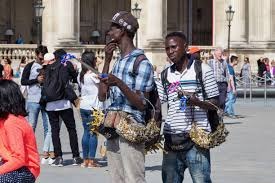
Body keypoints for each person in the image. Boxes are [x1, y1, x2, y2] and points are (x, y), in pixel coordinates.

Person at [98, 11, 154, 183]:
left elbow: (142, 104)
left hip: (131, 129)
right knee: (116, 179)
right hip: (113, 128)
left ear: (123, 30)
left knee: (133, 178)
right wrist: (107, 61)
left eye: (113, 28)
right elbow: (101, 96)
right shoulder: (118, 62)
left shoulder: (142, 63)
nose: (109, 32)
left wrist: (120, 83)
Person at [156, 32, 219, 183]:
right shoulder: (164, 75)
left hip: (197, 141)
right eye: (167, 48)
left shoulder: (202, 70)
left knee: (201, 180)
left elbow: (215, 103)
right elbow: (158, 104)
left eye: (173, 47)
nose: (170, 51)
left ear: (185, 47)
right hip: (172, 139)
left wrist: (197, 102)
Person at [43, 49, 81, 167]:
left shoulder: (46, 68)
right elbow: (75, 77)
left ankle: (58, 157)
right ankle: (76, 156)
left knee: (55, 131)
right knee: (71, 129)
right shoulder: (66, 64)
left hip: (50, 104)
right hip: (64, 102)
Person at [0, 79, 40, 182]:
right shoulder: (4, 120)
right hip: (10, 163)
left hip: (26, 169)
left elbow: (19, 159)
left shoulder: (12, 123)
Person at [21, 45, 55, 165]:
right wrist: (36, 80)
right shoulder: (30, 66)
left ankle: (47, 152)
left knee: (48, 127)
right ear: (36, 55)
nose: (42, 61)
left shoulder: (50, 66)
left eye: (43, 58)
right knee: (31, 127)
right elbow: (23, 81)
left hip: (47, 100)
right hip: (33, 100)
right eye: (40, 58)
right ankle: (29, 151)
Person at [78, 50, 101, 168]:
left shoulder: (81, 75)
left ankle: (85, 160)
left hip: (83, 106)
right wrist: (98, 65)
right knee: (93, 133)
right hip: (94, 107)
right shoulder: (93, 75)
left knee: (86, 132)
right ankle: (91, 160)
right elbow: (102, 82)